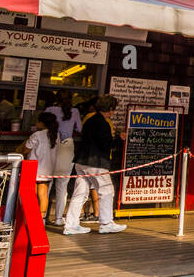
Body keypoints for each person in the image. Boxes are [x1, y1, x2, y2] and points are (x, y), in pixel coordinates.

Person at [63, 95, 126, 235]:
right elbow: (106, 145)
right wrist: (119, 139)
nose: (113, 112)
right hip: (96, 162)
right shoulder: (103, 123)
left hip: (81, 161)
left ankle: (71, 225)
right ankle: (106, 223)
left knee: (80, 193)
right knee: (107, 191)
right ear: (109, 109)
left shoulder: (89, 120)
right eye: (113, 109)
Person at [47, 91, 83, 225]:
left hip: (50, 146)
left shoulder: (50, 109)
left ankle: (42, 217)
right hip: (67, 146)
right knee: (62, 186)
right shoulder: (75, 111)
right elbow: (80, 129)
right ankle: (57, 219)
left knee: (46, 184)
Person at [22, 111, 59, 220]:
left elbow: (25, 150)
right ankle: (41, 219)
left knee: (31, 195)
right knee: (43, 195)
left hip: (33, 168)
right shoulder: (56, 135)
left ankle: (30, 218)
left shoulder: (37, 135)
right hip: (47, 169)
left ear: (41, 123)